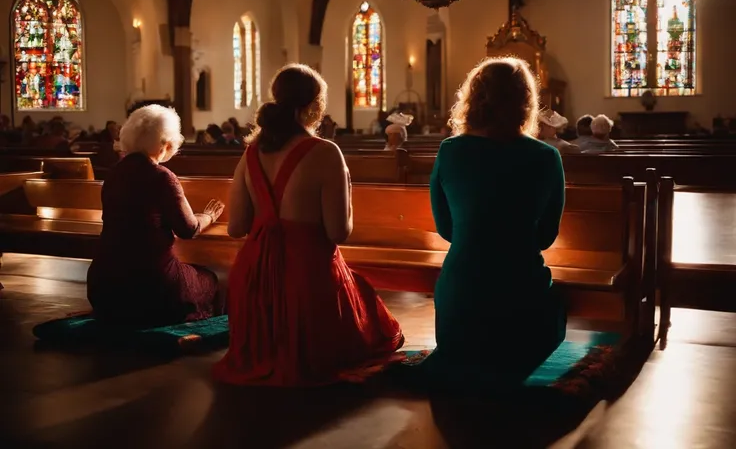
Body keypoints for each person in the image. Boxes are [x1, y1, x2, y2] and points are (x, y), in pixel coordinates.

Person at [213, 64, 403, 386]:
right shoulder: (326, 153)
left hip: (253, 279)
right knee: (376, 324)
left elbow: (236, 227)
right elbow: (338, 232)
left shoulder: (251, 154)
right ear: (315, 106)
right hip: (306, 278)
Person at [402, 57, 566, 393]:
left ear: (473, 99)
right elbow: (546, 237)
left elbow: (447, 229)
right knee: (545, 326)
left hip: (461, 296)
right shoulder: (546, 157)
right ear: (525, 103)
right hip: (521, 293)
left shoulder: (450, 151)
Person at [87, 105, 225, 326]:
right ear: (164, 144)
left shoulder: (114, 174)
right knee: (209, 280)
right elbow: (188, 229)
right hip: (151, 288)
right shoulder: (162, 177)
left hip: (103, 287)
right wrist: (208, 216)